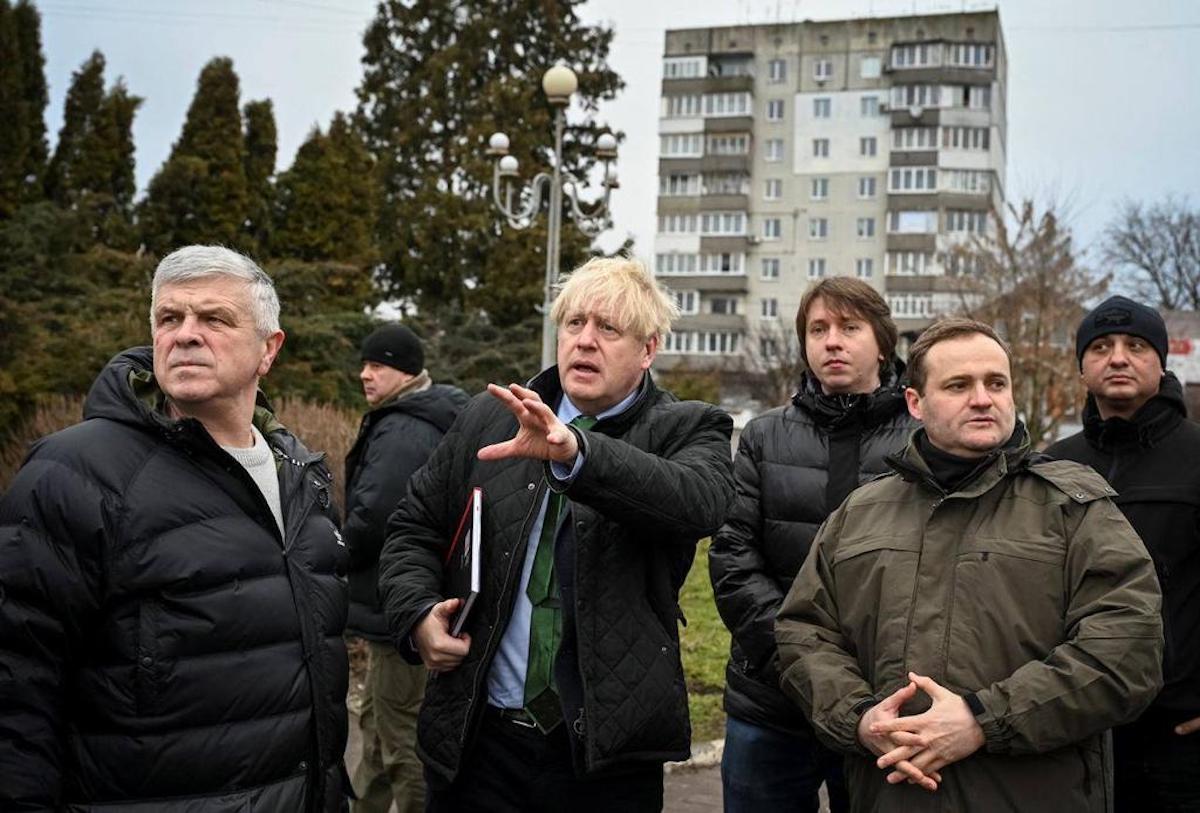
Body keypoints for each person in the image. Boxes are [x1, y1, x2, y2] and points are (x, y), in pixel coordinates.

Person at [377, 256, 735, 812]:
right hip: (478, 740)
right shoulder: (488, 419)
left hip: (604, 758)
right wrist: (417, 612)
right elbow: (413, 527)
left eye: (608, 329)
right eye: (574, 324)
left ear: (648, 349)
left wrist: (578, 453)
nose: (585, 342)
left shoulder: (687, 426)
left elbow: (700, 502)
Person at [0, 245, 349, 810]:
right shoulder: (75, 472)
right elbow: (17, 683)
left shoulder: (301, 475)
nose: (185, 334)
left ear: (269, 349)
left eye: (214, 319)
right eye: (169, 318)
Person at [776, 316, 1164, 813]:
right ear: (916, 403)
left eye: (995, 383)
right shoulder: (859, 512)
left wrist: (984, 719)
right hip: (890, 794)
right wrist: (859, 718)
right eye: (959, 385)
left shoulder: (1075, 507)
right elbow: (804, 633)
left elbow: (1127, 650)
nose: (983, 398)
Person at [709, 277, 917, 812]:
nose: (832, 341)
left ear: (883, 342)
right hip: (771, 699)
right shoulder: (764, 435)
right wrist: (798, 663)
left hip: (884, 703)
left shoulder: (922, 438)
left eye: (850, 327)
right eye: (818, 329)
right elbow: (733, 557)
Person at [1046, 295, 1200, 812]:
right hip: (1076, 725)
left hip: (1179, 732)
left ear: (1161, 363)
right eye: (1101, 347)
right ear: (1082, 369)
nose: (1118, 357)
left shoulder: (1196, 456)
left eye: (1136, 346)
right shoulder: (1051, 467)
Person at [344, 323, 468, 813]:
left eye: (378, 366)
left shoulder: (404, 426)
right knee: (377, 725)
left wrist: (332, 552)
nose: (365, 375)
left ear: (405, 372)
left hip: (398, 604)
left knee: (399, 738)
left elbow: (377, 516)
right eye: (366, 364)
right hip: (403, 602)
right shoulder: (423, 413)